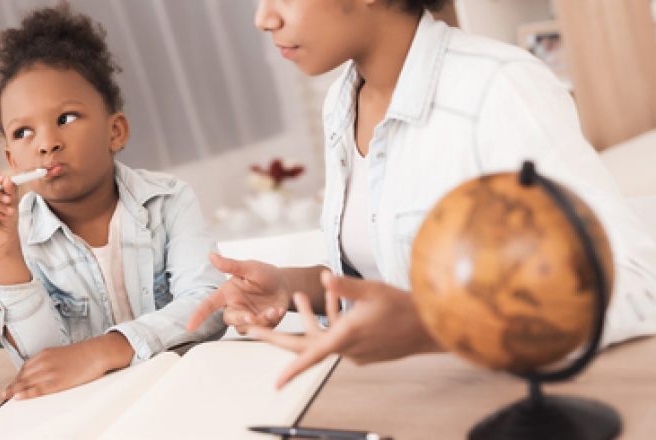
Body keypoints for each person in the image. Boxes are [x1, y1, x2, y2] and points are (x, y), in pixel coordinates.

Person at [187, 0, 656, 388]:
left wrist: (436, 325)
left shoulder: (497, 85)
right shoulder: (341, 102)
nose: (263, 18)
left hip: (498, 396)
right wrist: (294, 286)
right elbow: (387, 274)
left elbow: (637, 284)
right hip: (397, 392)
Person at [0, 5, 225, 400]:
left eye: (65, 118)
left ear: (115, 132)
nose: (46, 143)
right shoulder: (12, 237)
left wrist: (106, 349)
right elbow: (36, 363)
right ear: (13, 161)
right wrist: (2, 252)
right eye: (23, 132)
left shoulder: (169, 201)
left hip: (187, 392)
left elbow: (209, 304)